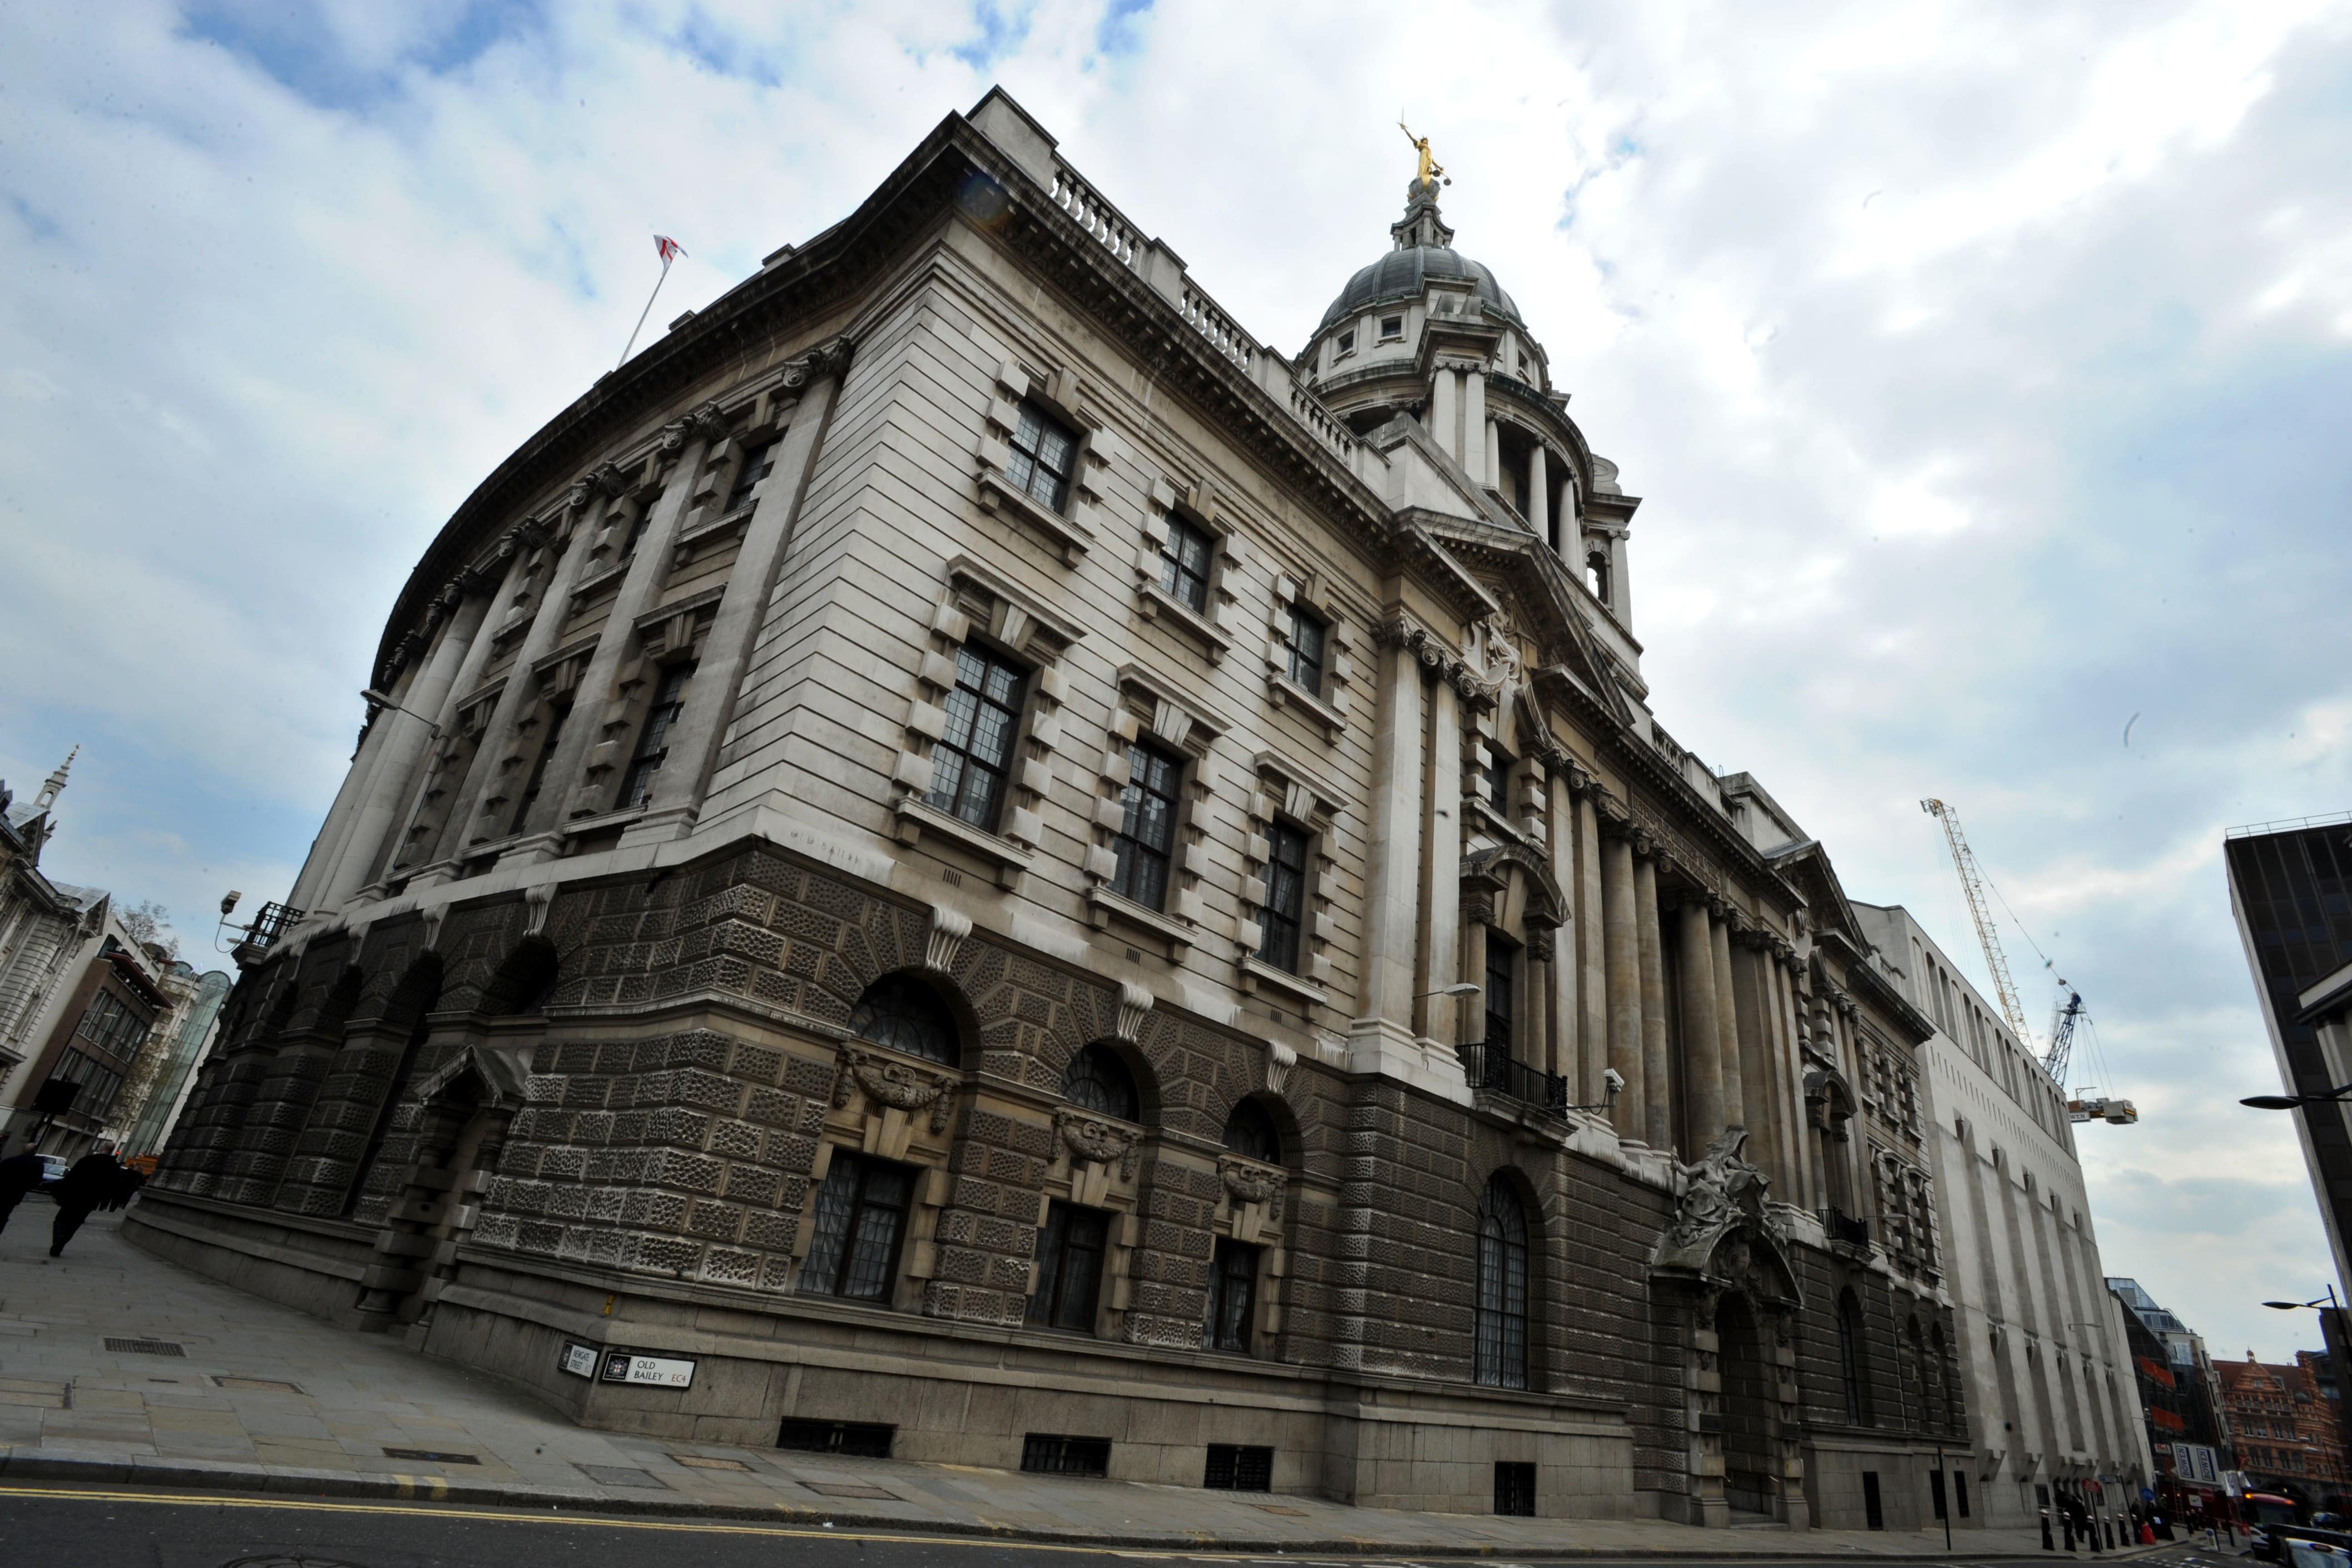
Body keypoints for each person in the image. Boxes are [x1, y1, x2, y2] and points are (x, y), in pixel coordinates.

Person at [48, 1148, 127, 1257]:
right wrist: (104, 1202)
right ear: (113, 1151)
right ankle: (62, 1241)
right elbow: (113, 1186)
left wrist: (59, 1195)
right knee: (75, 1223)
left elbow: (70, 1178)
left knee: (61, 1219)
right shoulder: (113, 1166)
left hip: (74, 1195)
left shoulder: (86, 1160)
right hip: (91, 1199)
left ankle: (58, 1236)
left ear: (102, 1149)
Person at [0, 1145, 46, 1235]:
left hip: (2, 1191)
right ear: (34, 1152)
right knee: (3, 1216)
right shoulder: (37, 1165)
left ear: (23, 1150)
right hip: (15, 1196)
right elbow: (35, 1183)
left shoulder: (9, 1161)